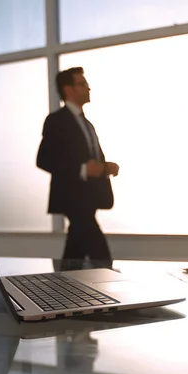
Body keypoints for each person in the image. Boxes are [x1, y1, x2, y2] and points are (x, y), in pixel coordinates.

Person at [36, 67, 119, 262]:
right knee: (101, 256)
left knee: (74, 255)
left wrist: (105, 167)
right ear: (69, 89)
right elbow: (44, 159)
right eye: (82, 84)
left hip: (89, 198)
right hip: (73, 198)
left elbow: (90, 158)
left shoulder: (87, 123)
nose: (88, 88)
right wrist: (82, 169)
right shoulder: (57, 120)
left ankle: (60, 290)